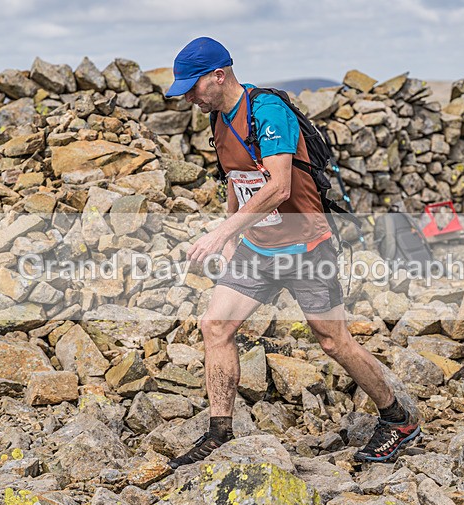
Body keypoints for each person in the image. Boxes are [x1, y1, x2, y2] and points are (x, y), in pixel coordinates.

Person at [163, 36, 421, 468]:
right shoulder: (219, 121)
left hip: (307, 246)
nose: (188, 96)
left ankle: (398, 419)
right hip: (257, 248)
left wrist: (219, 231)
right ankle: (220, 434)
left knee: (333, 342)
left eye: (193, 86)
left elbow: (279, 186)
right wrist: (230, 240)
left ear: (219, 75)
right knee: (215, 326)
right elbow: (236, 179)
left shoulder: (268, 112)